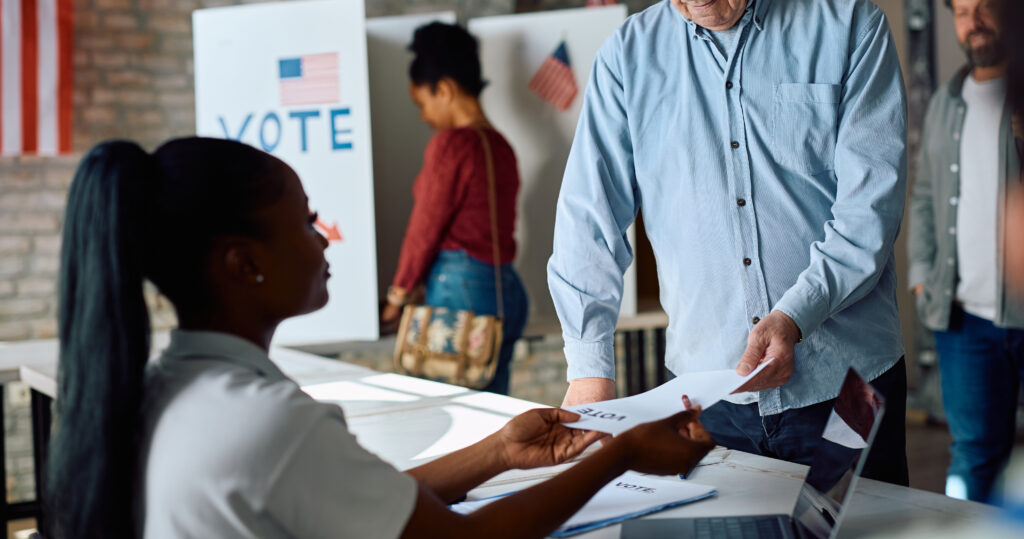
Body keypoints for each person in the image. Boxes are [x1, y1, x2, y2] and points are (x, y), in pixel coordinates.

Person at [45, 136, 714, 539]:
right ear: (242, 263)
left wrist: (499, 453)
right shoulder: (267, 421)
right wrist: (618, 454)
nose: (324, 235)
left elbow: (360, 502)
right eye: (305, 222)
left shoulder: (171, 385)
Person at [548, 0, 908, 484]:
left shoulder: (852, 29)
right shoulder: (627, 61)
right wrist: (589, 368)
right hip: (708, 397)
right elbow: (588, 217)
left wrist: (794, 314)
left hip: (846, 379)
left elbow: (868, 209)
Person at [907, 0, 1024, 503]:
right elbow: (926, 194)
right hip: (963, 320)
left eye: (987, 7)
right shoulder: (946, 103)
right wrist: (922, 272)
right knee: (973, 456)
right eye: (960, 12)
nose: (972, 22)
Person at [380, 21, 528, 394]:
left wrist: (398, 295)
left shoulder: (452, 145)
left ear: (443, 89)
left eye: (422, 103)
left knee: (452, 412)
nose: (423, 115)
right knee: (492, 413)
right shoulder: (500, 145)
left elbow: (424, 228)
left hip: (459, 292)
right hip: (504, 287)